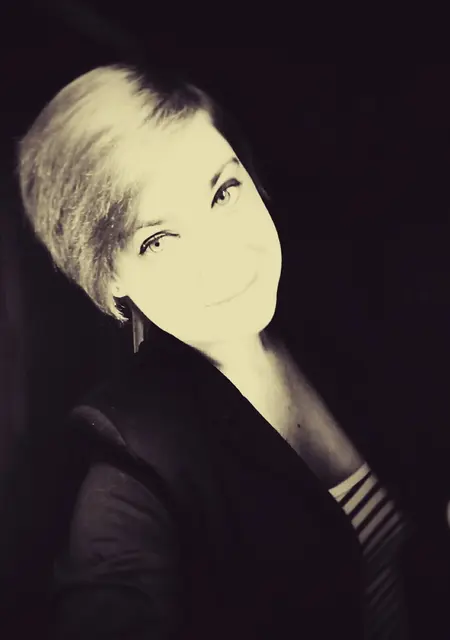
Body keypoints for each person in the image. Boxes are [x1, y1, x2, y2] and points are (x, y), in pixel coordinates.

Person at [15, 62, 448, 639]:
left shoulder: (337, 307)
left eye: (222, 192)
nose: (224, 254)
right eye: (157, 239)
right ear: (108, 277)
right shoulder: (130, 468)